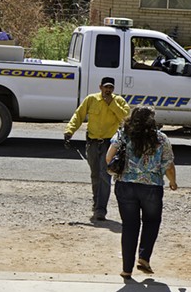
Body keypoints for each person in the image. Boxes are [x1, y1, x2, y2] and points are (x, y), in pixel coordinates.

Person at [105, 105, 177, 278]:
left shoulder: (122, 135)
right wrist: (173, 182)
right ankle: (144, 257)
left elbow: (109, 157)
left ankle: (126, 269)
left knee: (130, 226)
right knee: (151, 222)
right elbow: (168, 164)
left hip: (125, 185)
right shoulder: (161, 138)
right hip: (152, 187)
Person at [64, 77, 130, 221]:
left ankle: (101, 209)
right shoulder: (91, 99)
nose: (108, 90)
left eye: (110, 88)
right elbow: (78, 115)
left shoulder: (119, 101)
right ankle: (96, 204)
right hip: (93, 143)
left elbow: (126, 118)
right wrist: (69, 131)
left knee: (104, 176)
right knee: (95, 175)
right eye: (106, 87)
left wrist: (111, 104)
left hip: (109, 144)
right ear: (100, 87)